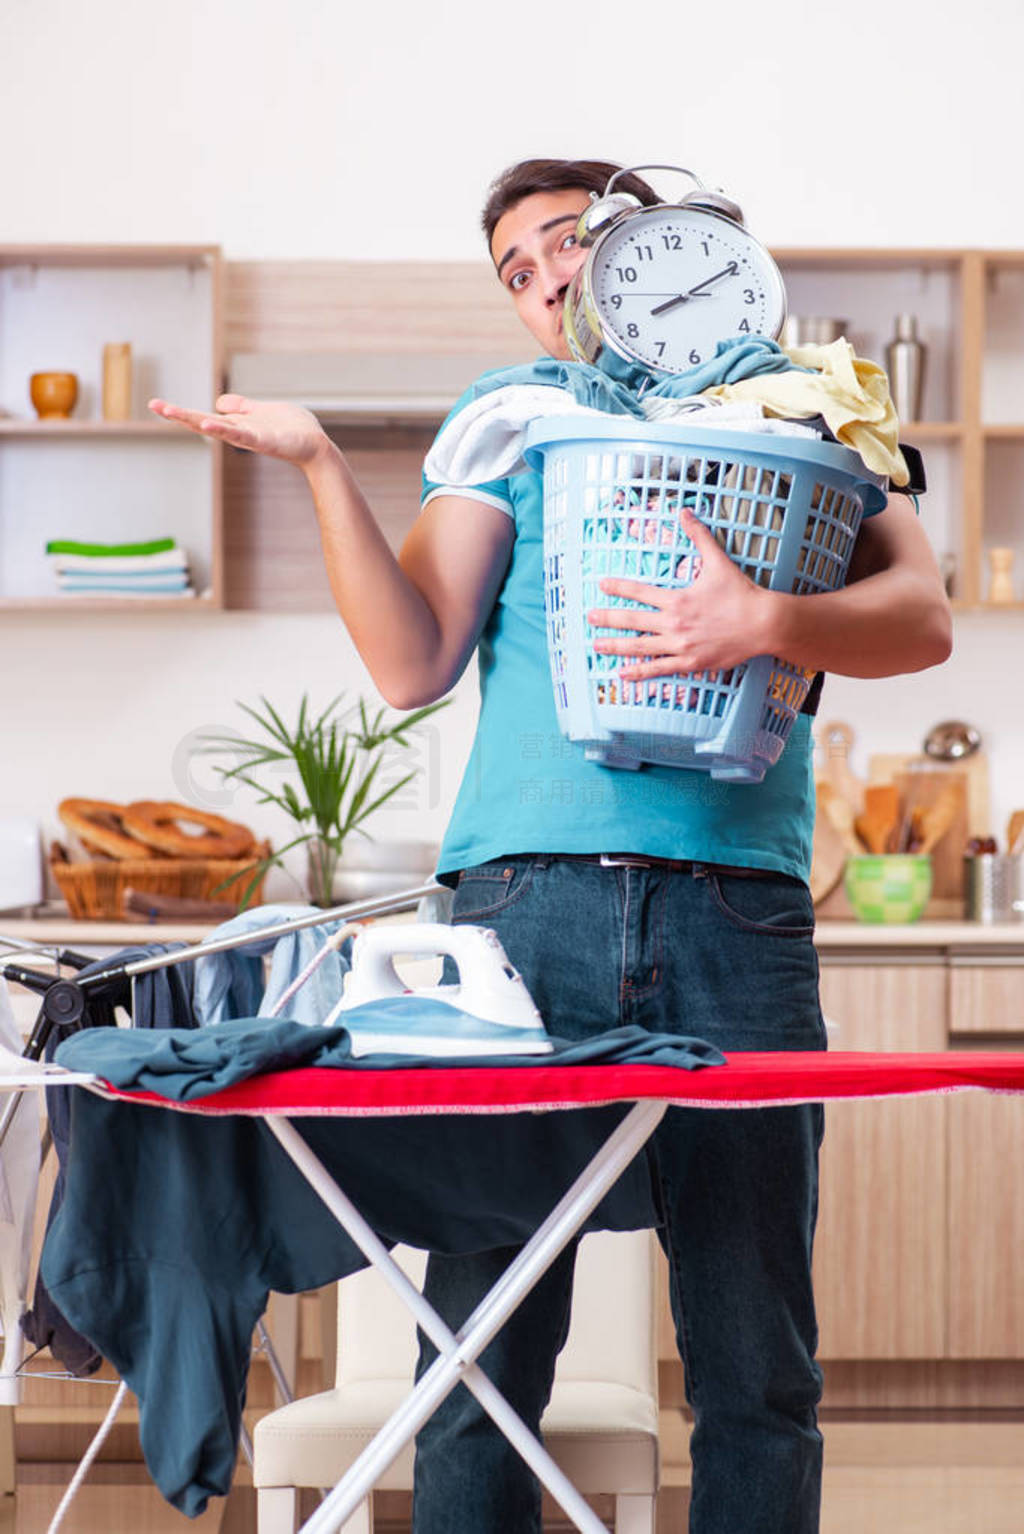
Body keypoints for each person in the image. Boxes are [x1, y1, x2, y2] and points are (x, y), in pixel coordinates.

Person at [150, 157, 952, 1534]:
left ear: (655, 246)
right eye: (516, 273)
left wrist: (764, 621)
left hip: (737, 921)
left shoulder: (797, 407)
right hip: (520, 922)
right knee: (478, 1356)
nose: (548, 282)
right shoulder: (510, 421)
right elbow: (411, 663)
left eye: (569, 244)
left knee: (758, 1364)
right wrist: (323, 466)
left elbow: (923, 615)